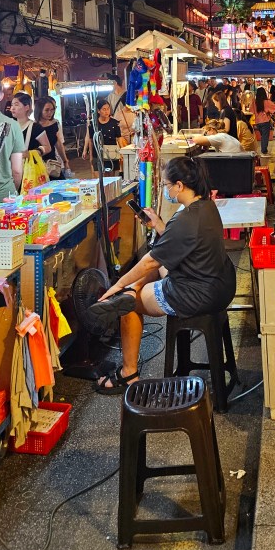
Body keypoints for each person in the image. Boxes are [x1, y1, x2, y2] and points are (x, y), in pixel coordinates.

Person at [90, 156, 237, 393]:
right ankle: (133, 289)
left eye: (168, 185)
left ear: (180, 185)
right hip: (221, 285)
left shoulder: (186, 219)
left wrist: (117, 285)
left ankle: (128, 374)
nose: (166, 190)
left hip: (198, 294)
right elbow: (177, 243)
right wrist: (158, 224)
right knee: (147, 276)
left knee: (127, 304)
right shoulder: (206, 206)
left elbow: (150, 261)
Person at [82, 98, 123, 173]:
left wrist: (122, 152)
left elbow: (119, 138)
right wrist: (90, 155)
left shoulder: (115, 123)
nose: (106, 111)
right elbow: (91, 140)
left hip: (111, 153)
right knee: (98, 175)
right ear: (98, 111)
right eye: (104, 109)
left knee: (111, 176)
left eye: (108, 109)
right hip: (97, 154)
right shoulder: (93, 124)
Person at [34, 96, 70, 177]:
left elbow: (58, 144)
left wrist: (65, 161)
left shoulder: (54, 124)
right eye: (47, 110)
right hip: (38, 164)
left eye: (52, 110)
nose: (50, 113)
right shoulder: (34, 126)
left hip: (53, 164)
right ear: (39, 110)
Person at [10, 92, 52, 158]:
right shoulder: (9, 125)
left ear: (26, 107)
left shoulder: (35, 127)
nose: (12, 108)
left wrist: (32, 153)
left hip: (28, 163)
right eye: (12, 105)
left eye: (16, 105)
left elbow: (47, 147)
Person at [106, 73, 133, 145]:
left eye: (110, 83)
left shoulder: (126, 94)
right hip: (117, 126)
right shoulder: (110, 96)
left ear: (115, 83)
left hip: (128, 124)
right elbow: (109, 112)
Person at [254, 86, 275, 155]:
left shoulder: (254, 102)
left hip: (257, 122)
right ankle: (264, 151)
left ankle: (263, 150)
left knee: (262, 136)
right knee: (265, 137)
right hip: (265, 121)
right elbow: (274, 108)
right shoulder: (267, 102)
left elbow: (251, 110)